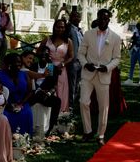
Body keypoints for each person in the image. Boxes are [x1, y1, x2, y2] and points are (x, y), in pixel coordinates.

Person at [78, 8, 121, 145]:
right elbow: (80, 54)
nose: (103, 20)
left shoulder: (115, 38)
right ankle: (87, 131)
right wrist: (86, 64)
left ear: (109, 20)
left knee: (104, 107)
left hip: (104, 75)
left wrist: (107, 67)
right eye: (101, 18)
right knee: (83, 102)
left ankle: (101, 135)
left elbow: (117, 58)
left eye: (106, 18)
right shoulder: (88, 34)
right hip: (88, 74)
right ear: (97, 18)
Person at [39, 19, 73, 114]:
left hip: (60, 68)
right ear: (54, 27)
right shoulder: (47, 39)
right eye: (58, 27)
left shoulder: (68, 41)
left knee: (60, 88)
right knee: (49, 87)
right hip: (49, 66)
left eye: (62, 27)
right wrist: (45, 58)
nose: (60, 29)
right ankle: (47, 112)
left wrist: (63, 64)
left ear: (65, 28)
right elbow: (39, 52)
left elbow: (71, 56)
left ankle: (61, 113)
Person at [0, 52, 33, 135]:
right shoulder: (0, 74)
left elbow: (30, 91)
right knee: (6, 115)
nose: (19, 64)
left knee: (27, 112)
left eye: (20, 62)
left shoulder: (24, 74)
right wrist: (6, 104)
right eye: (16, 62)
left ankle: (24, 139)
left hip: (22, 103)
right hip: (6, 105)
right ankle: (8, 139)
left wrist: (22, 103)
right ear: (9, 64)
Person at [67, 9, 83, 105]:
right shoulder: (69, 29)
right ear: (71, 18)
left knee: (78, 83)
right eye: (74, 16)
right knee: (71, 84)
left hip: (81, 61)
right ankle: (70, 104)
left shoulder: (80, 30)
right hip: (73, 60)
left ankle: (74, 102)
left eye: (78, 16)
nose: (77, 18)